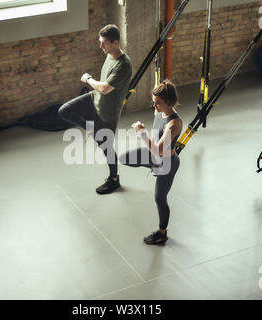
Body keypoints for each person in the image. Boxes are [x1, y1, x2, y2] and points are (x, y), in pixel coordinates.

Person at [58, 24, 132, 195]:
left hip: (107, 113)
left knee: (107, 148)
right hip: (94, 99)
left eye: (104, 43)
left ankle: (114, 180)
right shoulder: (109, 55)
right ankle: (91, 129)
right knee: (64, 111)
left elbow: (105, 88)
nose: (101, 46)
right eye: (100, 42)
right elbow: (102, 89)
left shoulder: (124, 65)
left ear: (115, 42)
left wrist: (88, 79)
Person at [119, 80, 182, 245]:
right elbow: (155, 141)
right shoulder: (159, 113)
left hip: (167, 162)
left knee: (159, 198)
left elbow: (158, 150)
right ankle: (154, 166)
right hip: (155, 157)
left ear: (168, 102)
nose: (154, 106)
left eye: (158, 103)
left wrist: (141, 133)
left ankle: (162, 234)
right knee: (124, 158)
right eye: (153, 103)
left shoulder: (174, 124)